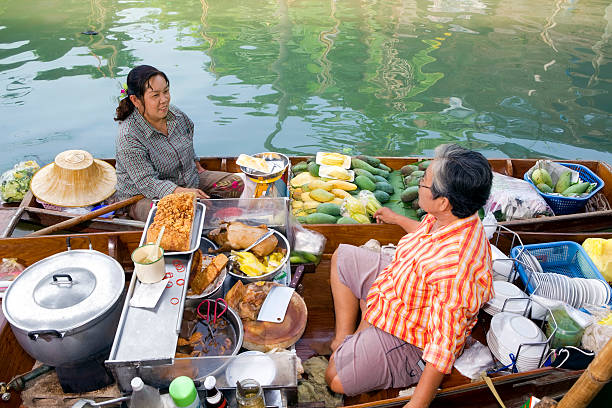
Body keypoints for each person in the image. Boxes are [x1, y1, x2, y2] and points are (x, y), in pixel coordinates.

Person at [325, 144, 494, 408]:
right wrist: (397, 219)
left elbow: (444, 345)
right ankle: (344, 340)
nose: (421, 183)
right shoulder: (451, 216)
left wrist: (418, 403)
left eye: (425, 182)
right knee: (342, 257)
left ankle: (363, 331)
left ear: (443, 201)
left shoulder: (456, 268)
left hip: (413, 333)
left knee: (335, 379)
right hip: (403, 284)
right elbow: (427, 234)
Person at [114, 65, 244, 221]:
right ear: (135, 100)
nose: (164, 100)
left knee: (235, 184)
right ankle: (202, 213)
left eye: (166, 92)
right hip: (143, 196)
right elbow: (147, 183)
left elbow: (188, 139)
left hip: (185, 180)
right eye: (155, 95)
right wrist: (179, 192)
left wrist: (196, 166)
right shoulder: (129, 136)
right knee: (173, 214)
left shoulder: (176, 115)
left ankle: (208, 213)